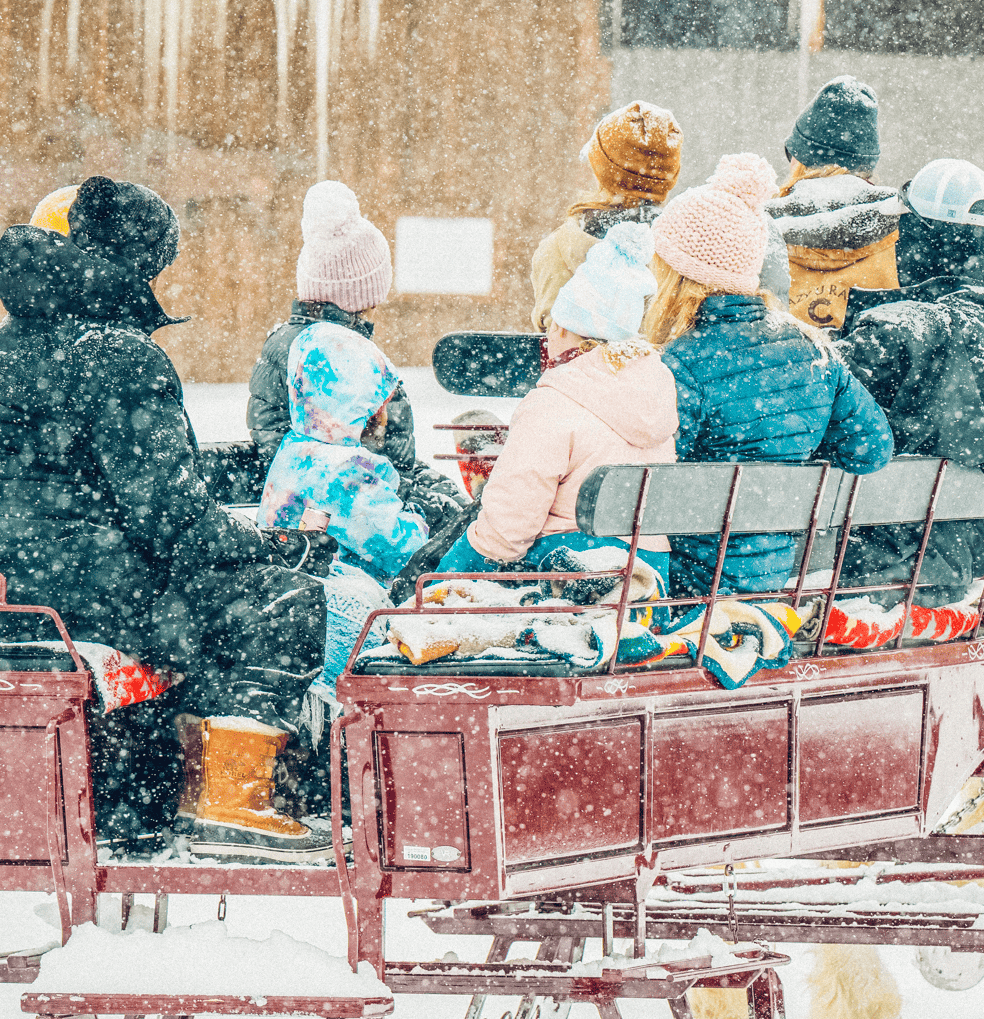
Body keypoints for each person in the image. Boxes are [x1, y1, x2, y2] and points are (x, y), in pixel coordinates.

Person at [0, 176, 331, 861]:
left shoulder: (1, 342)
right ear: (143, 264)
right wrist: (267, 550)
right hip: (72, 590)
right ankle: (229, 802)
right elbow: (170, 516)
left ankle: (154, 794)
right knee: (284, 605)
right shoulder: (117, 354)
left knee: (208, 610)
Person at [834, 159, 984, 604]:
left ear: (917, 239)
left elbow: (821, 424)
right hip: (960, 576)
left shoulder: (895, 334)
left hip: (868, 582)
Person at [646, 153, 895, 598]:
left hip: (687, 589)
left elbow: (653, 485)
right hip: (773, 583)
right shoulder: (816, 352)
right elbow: (871, 449)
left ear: (678, 274)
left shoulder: (679, 364)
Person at [256, 182, 431, 693]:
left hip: (298, 590)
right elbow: (395, 544)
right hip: (340, 596)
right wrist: (430, 527)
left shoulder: (294, 451)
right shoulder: (350, 468)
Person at [438, 222, 676, 592]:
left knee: (444, 573)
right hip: (648, 569)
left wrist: (447, 571)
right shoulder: (655, 390)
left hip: (567, 572)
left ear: (565, 329)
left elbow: (508, 527)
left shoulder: (554, 402)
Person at [247, 185, 465, 538]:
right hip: (344, 509)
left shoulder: (299, 345)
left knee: (455, 507)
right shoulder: (337, 358)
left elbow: (270, 430)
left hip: (362, 489)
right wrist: (405, 494)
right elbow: (350, 459)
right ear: (360, 292)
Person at [529, 100, 683, 333]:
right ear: (670, 176)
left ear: (600, 168)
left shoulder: (558, 249)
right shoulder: (689, 254)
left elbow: (552, 342)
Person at [767, 76, 903, 331]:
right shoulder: (904, 227)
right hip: (871, 367)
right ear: (866, 168)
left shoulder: (757, 226)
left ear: (800, 160)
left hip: (780, 367)